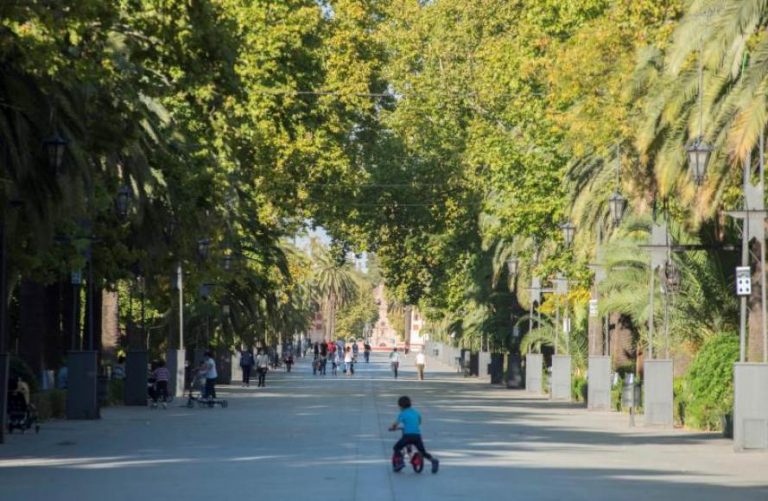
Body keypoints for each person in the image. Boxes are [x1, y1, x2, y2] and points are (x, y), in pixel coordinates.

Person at [388, 395, 438, 473]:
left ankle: (400, 462)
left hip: (407, 436)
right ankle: (433, 460)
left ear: (400, 406)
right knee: (422, 452)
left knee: (396, 448)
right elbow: (419, 422)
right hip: (417, 436)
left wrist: (393, 428)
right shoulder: (416, 412)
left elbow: (395, 424)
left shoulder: (403, 413)